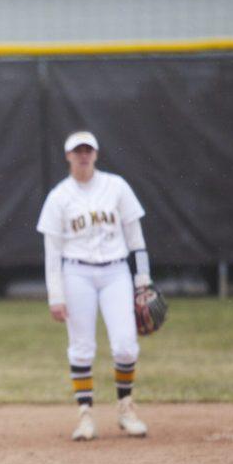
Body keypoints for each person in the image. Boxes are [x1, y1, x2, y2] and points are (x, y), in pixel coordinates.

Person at [36, 130, 152, 441]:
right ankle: (85, 414)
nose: (83, 154)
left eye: (88, 149)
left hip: (116, 272)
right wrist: (55, 296)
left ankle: (126, 407)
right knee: (81, 347)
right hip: (77, 274)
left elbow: (136, 240)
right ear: (68, 156)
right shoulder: (59, 197)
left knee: (126, 344)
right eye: (78, 150)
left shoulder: (117, 187)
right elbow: (52, 254)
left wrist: (143, 281)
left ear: (96, 154)